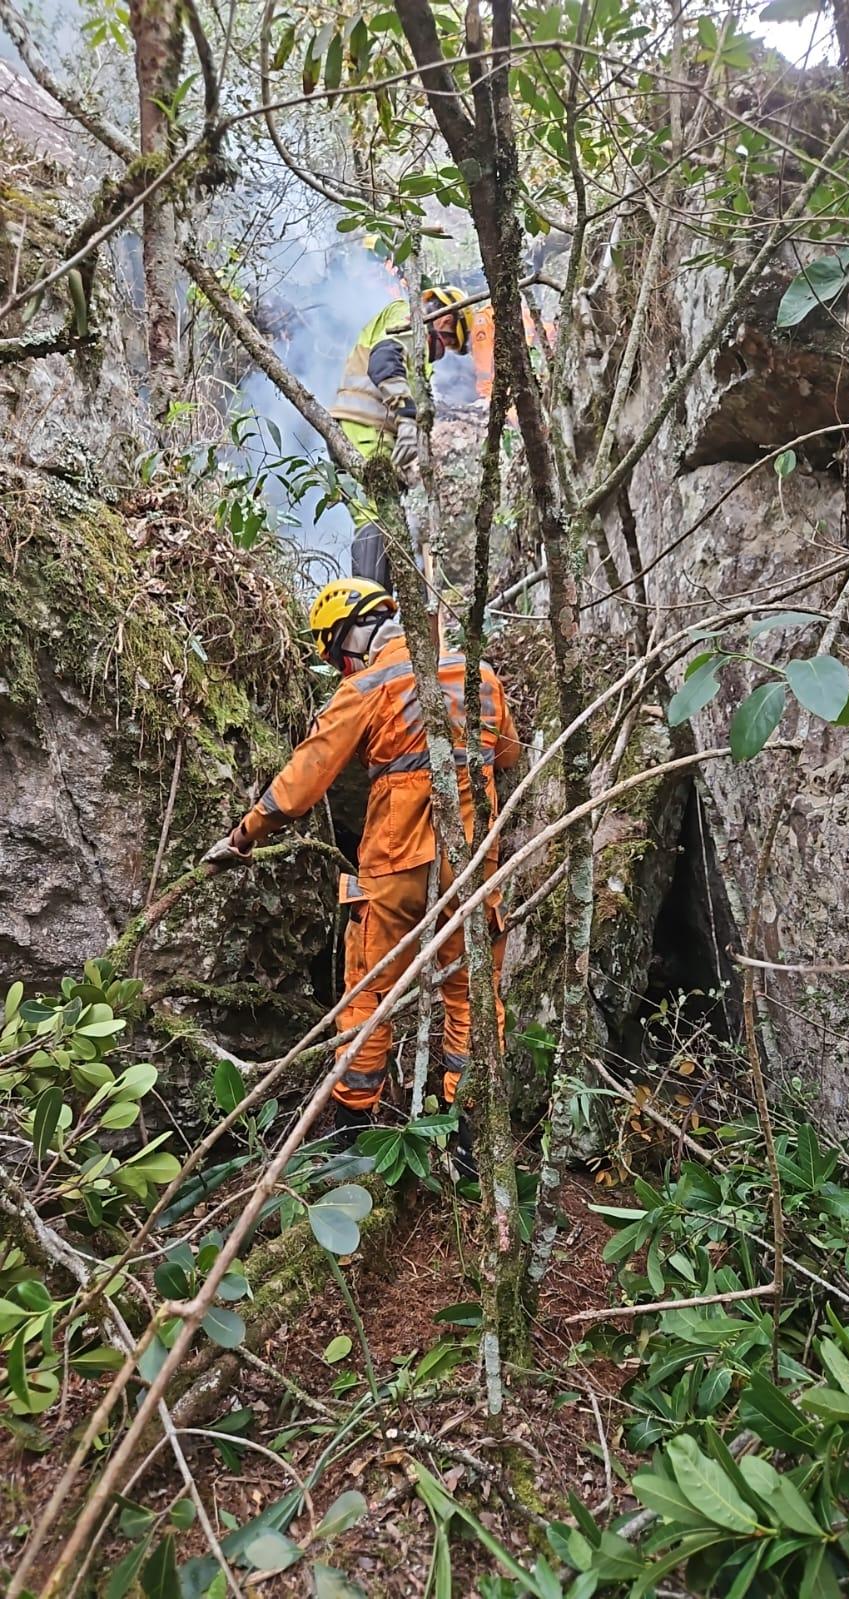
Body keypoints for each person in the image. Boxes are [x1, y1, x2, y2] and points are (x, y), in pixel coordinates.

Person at [204, 577, 521, 1175]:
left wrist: (243, 835)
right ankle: (466, 1139)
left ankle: (353, 1131)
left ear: (352, 632)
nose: (339, 664)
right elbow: (507, 756)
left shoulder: (368, 684)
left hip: (396, 866)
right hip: (473, 867)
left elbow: (305, 777)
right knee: (471, 998)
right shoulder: (479, 675)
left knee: (369, 994)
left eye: (335, 651)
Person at [330, 286, 474, 589]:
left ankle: (379, 607)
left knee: (382, 518)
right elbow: (384, 360)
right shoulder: (409, 317)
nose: (442, 351)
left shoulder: (418, 351)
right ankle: (370, 612)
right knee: (375, 516)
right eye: (448, 342)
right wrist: (407, 421)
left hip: (371, 429)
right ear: (446, 320)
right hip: (365, 424)